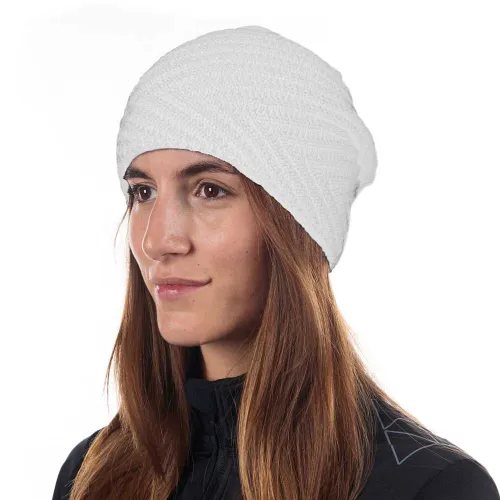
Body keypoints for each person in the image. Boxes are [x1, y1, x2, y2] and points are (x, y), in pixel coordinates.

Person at [52, 25, 499, 500]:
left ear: (299, 223)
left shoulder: (429, 486)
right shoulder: (97, 472)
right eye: (143, 192)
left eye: (210, 190)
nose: (158, 240)